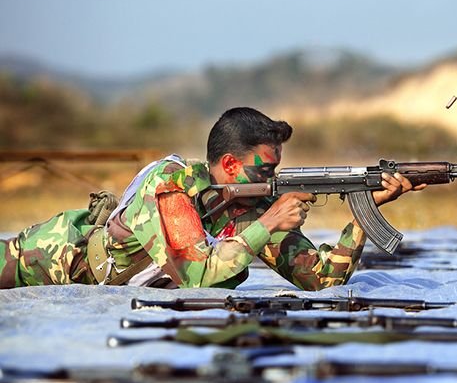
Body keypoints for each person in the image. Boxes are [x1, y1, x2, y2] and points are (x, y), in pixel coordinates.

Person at [0, 107, 424, 290]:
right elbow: (195, 273)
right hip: (43, 261)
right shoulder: (172, 184)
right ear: (230, 164)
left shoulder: (248, 209)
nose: (273, 179)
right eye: (265, 169)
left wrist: (365, 211)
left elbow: (321, 278)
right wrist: (268, 224)